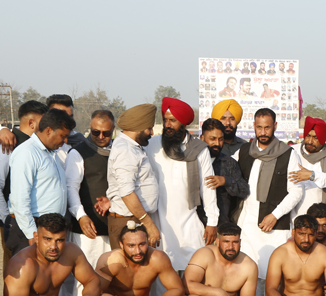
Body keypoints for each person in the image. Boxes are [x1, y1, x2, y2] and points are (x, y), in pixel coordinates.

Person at [146, 97, 218, 271]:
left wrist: (212, 221)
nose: (168, 125)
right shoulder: (152, 145)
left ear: (184, 123)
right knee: (159, 268)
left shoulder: (199, 149)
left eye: (173, 120)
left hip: (189, 220)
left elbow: (208, 187)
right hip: (158, 220)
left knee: (193, 268)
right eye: (165, 120)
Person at [233, 108, 303, 280]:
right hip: (247, 224)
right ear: (254, 126)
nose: (263, 132)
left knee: (274, 274)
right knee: (247, 273)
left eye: (267, 127)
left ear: (275, 126)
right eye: (259, 127)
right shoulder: (244, 151)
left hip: (274, 226)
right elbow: (227, 170)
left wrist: (274, 215)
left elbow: (296, 191)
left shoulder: (288, 154)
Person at [6, 107, 74, 255]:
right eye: (63, 136)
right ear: (49, 130)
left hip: (50, 229)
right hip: (32, 229)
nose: (65, 141)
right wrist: (32, 234)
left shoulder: (52, 153)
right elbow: (19, 199)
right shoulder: (27, 153)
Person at [63, 109, 115, 296]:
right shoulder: (78, 153)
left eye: (106, 133)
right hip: (87, 230)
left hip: (114, 227)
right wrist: (81, 216)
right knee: (85, 280)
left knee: (112, 279)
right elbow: (71, 188)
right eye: (95, 132)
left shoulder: (119, 151)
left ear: (113, 130)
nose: (101, 137)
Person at [0, 100, 46, 267]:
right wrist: (8, 220)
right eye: (44, 121)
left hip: (37, 221)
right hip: (14, 223)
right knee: (17, 269)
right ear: (32, 123)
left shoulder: (40, 146)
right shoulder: (6, 146)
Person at [106, 104, 161, 249]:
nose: (151, 132)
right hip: (128, 222)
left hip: (135, 219)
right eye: (149, 128)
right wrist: (149, 224)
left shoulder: (131, 147)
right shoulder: (126, 150)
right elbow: (127, 192)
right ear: (139, 127)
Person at [199, 118, 249, 226]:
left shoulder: (229, 163)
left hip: (222, 226)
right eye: (212, 139)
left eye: (221, 139)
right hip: (196, 224)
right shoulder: (193, 161)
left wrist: (226, 181)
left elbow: (244, 190)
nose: (217, 143)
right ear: (202, 138)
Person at [289, 116, 326, 217]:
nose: (310, 141)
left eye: (315, 138)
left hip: (318, 215)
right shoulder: (293, 151)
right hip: (292, 214)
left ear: (322, 139)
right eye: (308, 136)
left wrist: (312, 175)